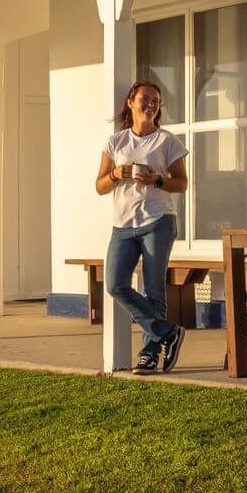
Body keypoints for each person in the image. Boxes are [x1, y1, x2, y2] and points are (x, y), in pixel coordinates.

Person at [97, 78, 190, 373]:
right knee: (114, 284)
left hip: (158, 220)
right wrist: (116, 173)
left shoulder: (167, 141)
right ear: (131, 102)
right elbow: (99, 186)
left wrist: (157, 180)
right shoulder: (116, 142)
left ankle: (149, 354)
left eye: (155, 101)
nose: (150, 104)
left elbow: (182, 184)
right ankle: (168, 331)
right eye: (145, 99)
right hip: (122, 224)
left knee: (154, 289)